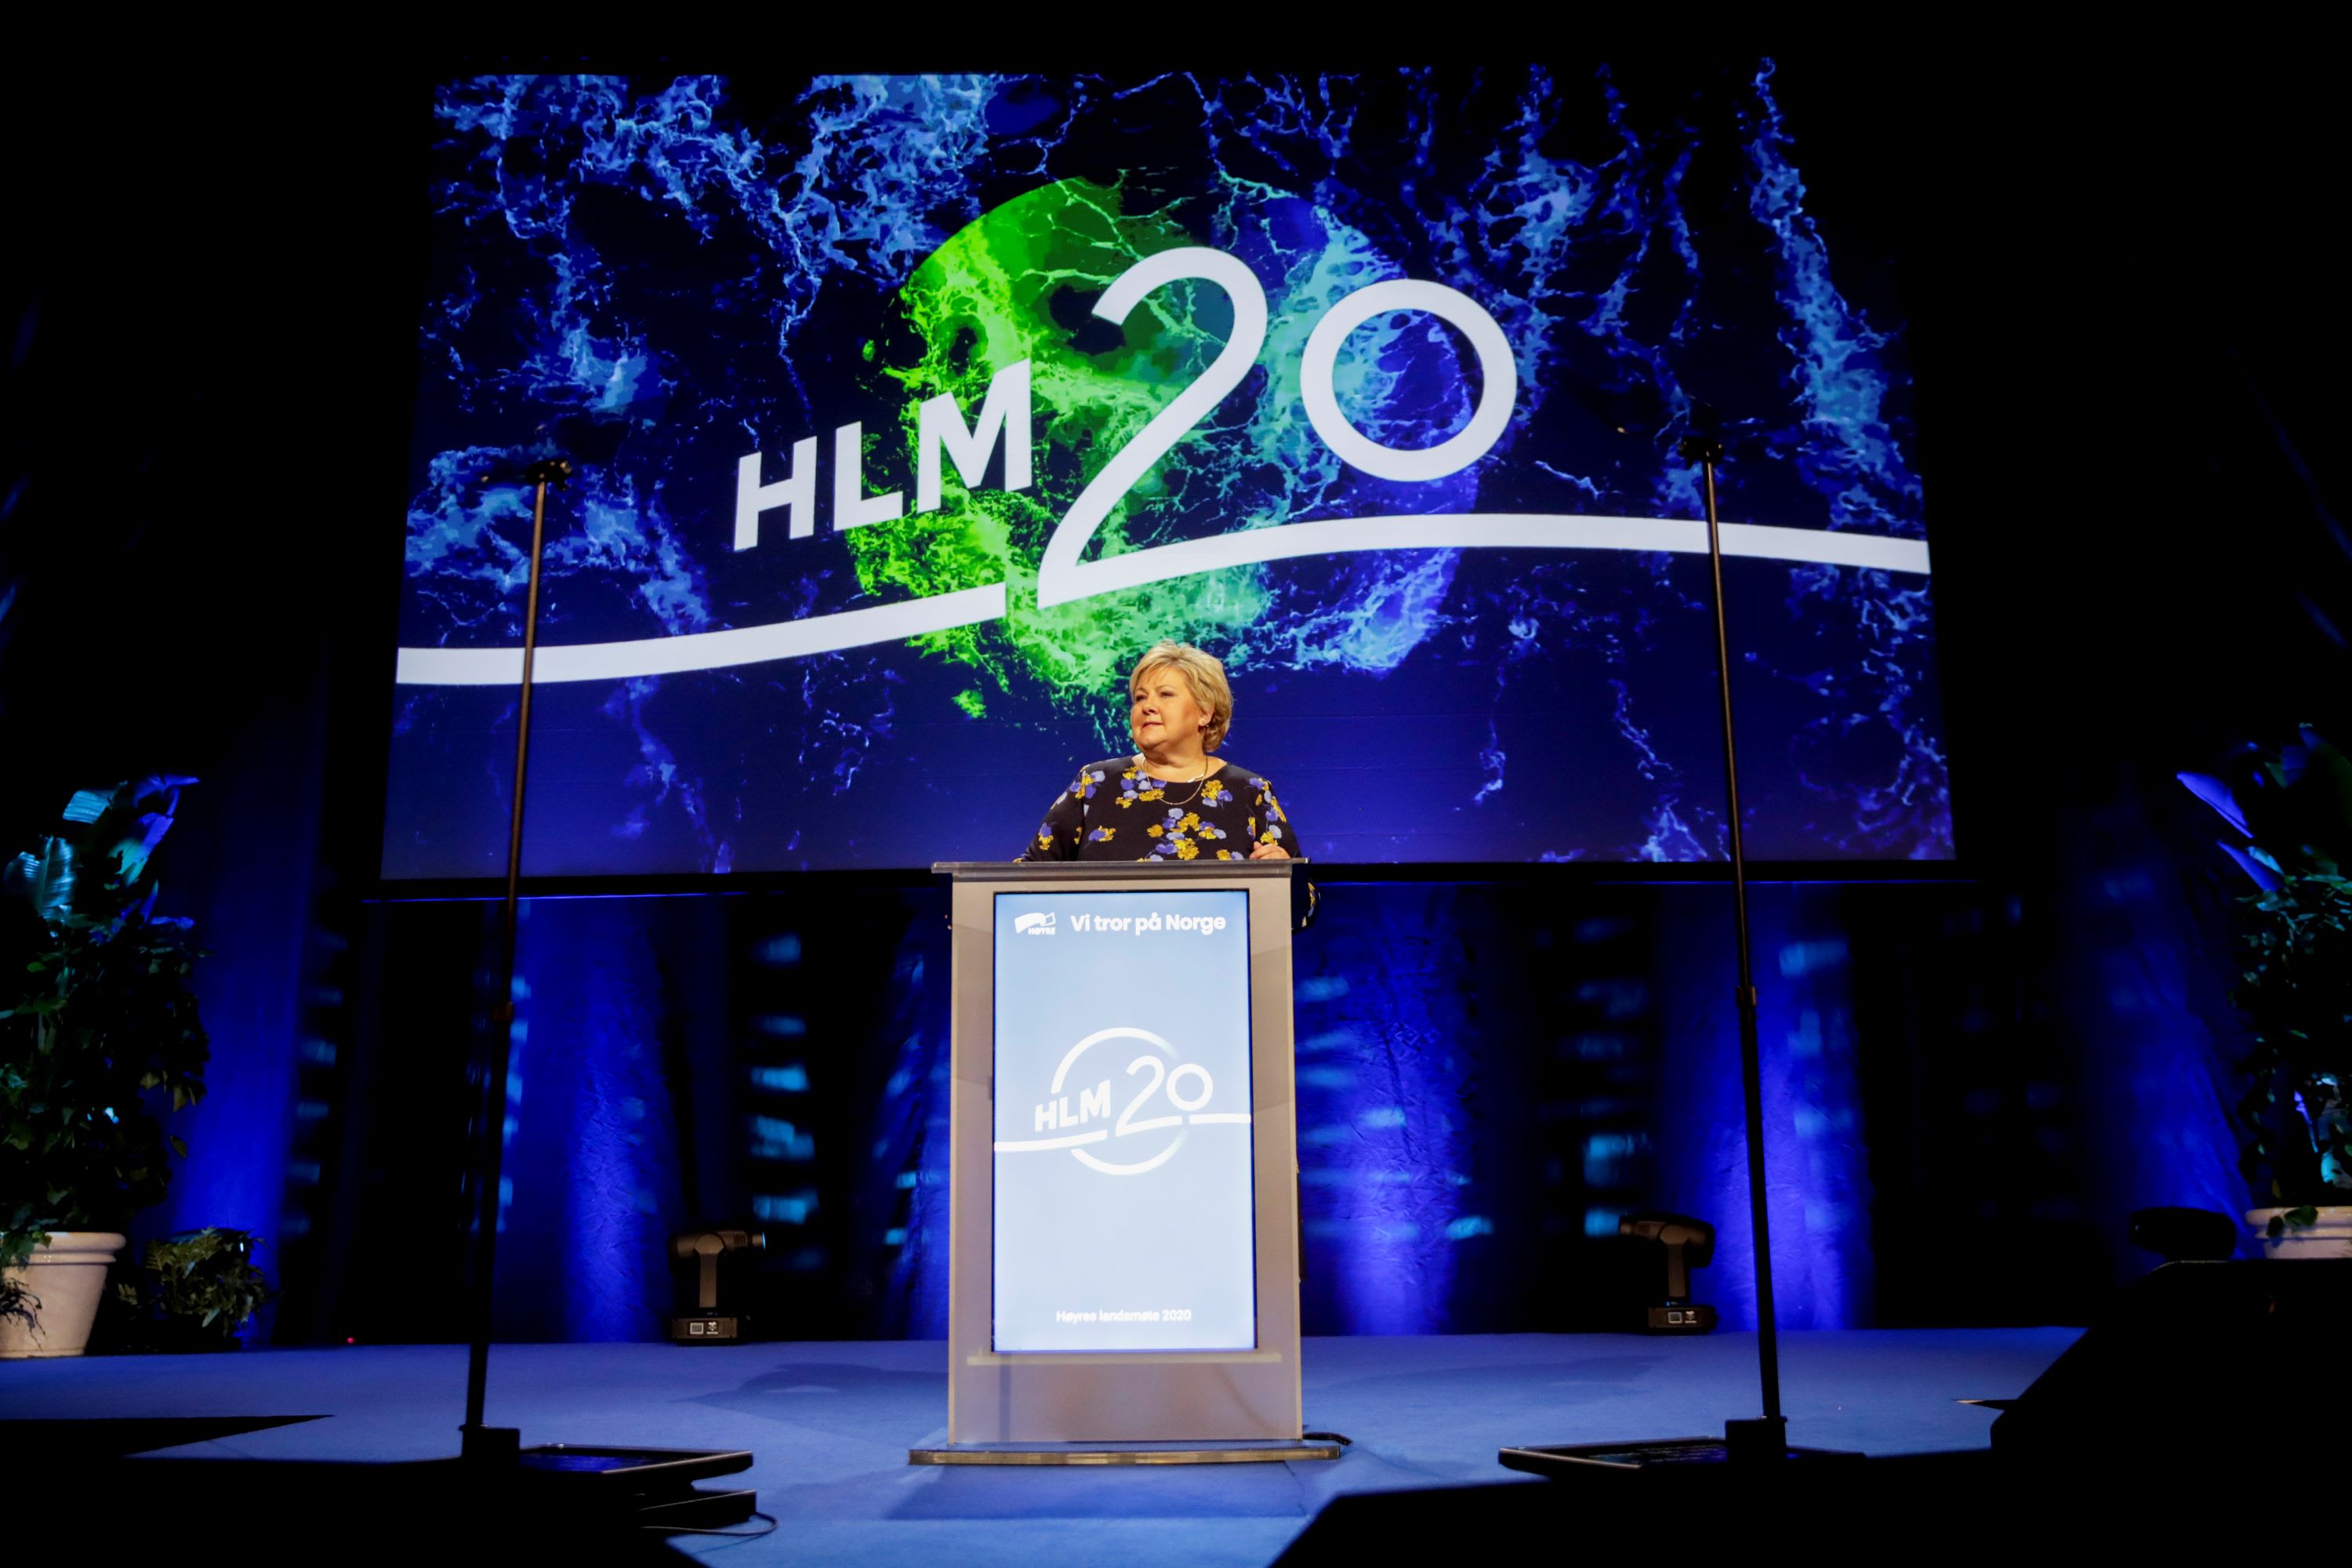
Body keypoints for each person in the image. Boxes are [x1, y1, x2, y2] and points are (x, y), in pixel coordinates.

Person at [1022, 641, 1301, 865]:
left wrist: (1283, 874)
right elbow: (1028, 876)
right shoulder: (1095, 783)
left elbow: (1304, 903)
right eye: (1140, 697)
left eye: (1165, 695)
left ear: (1204, 713)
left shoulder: (1250, 791)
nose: (1147, 706)